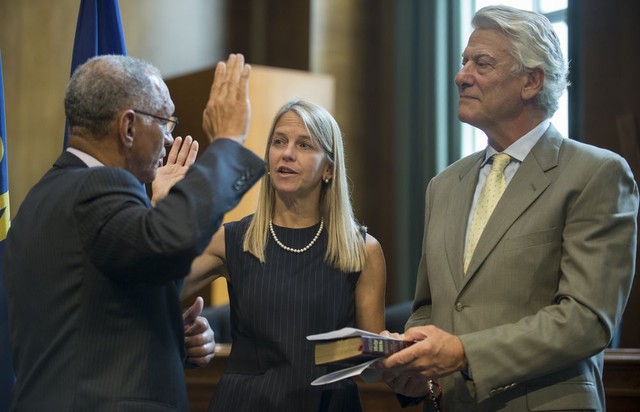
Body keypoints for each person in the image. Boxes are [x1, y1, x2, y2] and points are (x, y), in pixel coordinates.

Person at [379, 5, 638, 412]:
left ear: (531, 81)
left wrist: (465, 352)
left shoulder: (596, 174)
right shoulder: (443, 186)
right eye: (464, 61)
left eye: (481, 63)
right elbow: (428, 307)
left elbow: (587, 320)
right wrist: (416, 368)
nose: (461, 76)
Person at [3, 53, 265, 412]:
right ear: (127, 127)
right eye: (165, 121)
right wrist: (229, 141)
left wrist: (170, 332)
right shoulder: (98, 186)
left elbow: (87, 319)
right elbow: (168, 243)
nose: (171, 140)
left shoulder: (39, 199)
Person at [181, 99, 387, 412]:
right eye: (279, 142)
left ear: (329, 169)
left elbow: (373, 369)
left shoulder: (362, 250)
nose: (287, 153)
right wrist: (166, 210)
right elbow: (152, 289)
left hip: (328, 404)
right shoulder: (233, 239)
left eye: (304, 144)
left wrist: (391, 353)